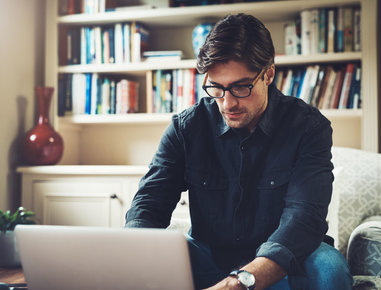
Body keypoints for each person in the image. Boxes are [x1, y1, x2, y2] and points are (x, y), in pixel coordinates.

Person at [125, 13, 353, 290]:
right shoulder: (186, 128)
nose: (227, 103)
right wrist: (134, 261)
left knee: (331, 270)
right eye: (216, 88)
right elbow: (148, 205)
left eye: (240, 87)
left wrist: (238, 283)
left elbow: (303, 219)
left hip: (283, 259)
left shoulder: (308, 128)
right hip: (208, 255)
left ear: (268, 74)